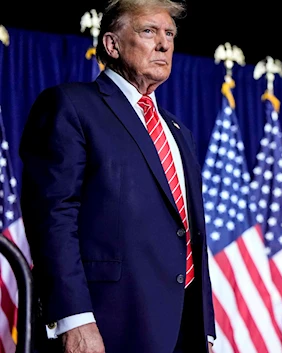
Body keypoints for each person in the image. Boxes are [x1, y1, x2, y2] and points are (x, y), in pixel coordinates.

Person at [19, 0, 215, 352]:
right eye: (148, 31)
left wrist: (205, 330)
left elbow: (190, 235)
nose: (164, 44)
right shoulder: (71, 106)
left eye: (169, 33)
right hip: (107, 327)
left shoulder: (178, 130)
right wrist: (74, 318)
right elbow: (52, 217)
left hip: (182, 331)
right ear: (111, 44)